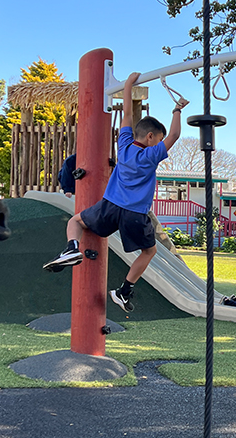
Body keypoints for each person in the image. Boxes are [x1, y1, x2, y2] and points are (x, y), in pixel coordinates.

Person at [43, 72, 188, 313]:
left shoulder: (123, 145)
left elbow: (128, 115)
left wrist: (128, 86)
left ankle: (71, 248)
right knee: (149, 251)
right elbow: (174, 135)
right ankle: (124, 290)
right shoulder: (151, 155)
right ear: (151, 138)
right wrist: (177, 110)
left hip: (109, 207)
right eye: (158, 139)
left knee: (76, 220)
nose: (161, 142)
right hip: (135, 214)